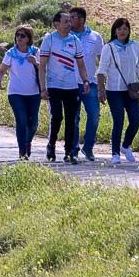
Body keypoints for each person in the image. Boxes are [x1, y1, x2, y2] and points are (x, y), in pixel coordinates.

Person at [38, 10, 91, 164]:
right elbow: (42, 66)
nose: (69, 24)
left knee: (71, 119)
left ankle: (69, 152)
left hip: (71, 86)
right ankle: (51, 146)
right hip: (54, 85)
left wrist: (86, 80)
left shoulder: (74, 41)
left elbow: (81, 65)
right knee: (57, 117)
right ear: (56, 24)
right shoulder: (49, 40)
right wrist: (43, 88)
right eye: (66, 21)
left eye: (70, 21)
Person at [96, 17, 139, 164]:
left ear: (129, 30)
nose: (122, 31)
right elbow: (102, 70)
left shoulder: (135, 46)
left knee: (135, 120)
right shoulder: (109, 47)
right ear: (115, 31)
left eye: (125, 28)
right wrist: (101, 90)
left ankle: (126, 145)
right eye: (119, 29)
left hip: (131, 89)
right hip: (114, 90)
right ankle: (115, 153)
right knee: (118, 121)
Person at [0, 24, 41, 160]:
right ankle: (22, 151)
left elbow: (43, 69)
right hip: (16, 93)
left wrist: (36, 63)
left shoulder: (35, 52)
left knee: (33, 123)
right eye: (17, 35)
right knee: (21, 120)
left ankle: (28, 142)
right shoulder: (11, 53)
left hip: (34, 93)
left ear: (28, 39)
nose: (19, 38)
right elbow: (2, 70)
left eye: (23, 36)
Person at [69, 6, 104, 161]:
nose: (70, 20)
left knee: (94, 115)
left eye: (73, 17)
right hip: (70, 83)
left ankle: (88, 147)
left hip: (91, 82)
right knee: (73, 117)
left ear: (82, 19)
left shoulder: (95, 37)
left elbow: (102, 60)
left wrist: (104, 83)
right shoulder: (65, 36)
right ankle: (74, 149)